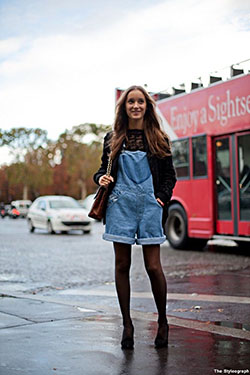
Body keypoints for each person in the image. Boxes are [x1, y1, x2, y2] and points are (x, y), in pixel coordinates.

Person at [93, 85, 176, 349]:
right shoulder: (112, 138)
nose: (136, 106)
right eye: (131, 102)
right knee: (121, 265)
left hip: (150, 205)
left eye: (141, 101)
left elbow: (169, 176)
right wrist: (101, 178)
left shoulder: (158, 137)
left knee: (153, 267)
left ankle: (163, 320)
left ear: (147, 106)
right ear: (124, 106)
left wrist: (161, 198)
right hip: (120, 204)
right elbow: (99, 170)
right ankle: (127, 324)